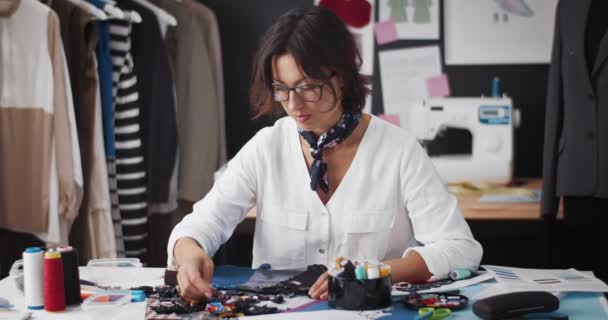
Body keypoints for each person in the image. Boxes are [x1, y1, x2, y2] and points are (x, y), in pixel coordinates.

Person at [167, 6, 482, 302]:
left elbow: (460, 248)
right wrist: (188, 251)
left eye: (307, 87)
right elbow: (200, 224)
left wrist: (374, 273)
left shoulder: (399, 152)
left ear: (342, 76)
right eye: (282, 88)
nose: (293, 105)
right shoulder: (267, 147)